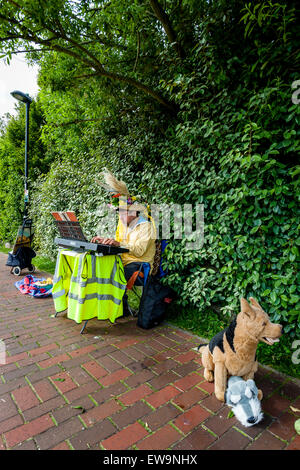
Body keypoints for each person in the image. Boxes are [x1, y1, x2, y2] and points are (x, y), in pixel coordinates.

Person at [91, 170, 156, 315]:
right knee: (100, 267)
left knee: (113, 273)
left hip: (141, 265)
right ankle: (114, 307)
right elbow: (118, 243)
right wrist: (106, 241)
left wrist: (119, 244)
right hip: (124, 261)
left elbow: (139, 251)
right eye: (118, 213)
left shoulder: (146, 226)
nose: (119, 217)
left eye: (122, 213)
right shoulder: (124, 225)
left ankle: (121, 308)